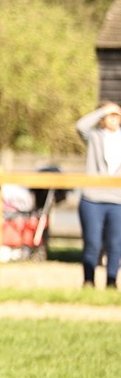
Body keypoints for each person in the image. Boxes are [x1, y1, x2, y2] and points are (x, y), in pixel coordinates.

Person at [75, 101, 121, 289]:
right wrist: (103, 110)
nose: (114, 119)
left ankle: (111, 281)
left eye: (116, 115)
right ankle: (88, 281)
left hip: (117, 200)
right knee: (92, 242)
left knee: (115, 243)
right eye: (110, 115)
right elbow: (81, 126)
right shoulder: (94, 137)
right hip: (93, 199)